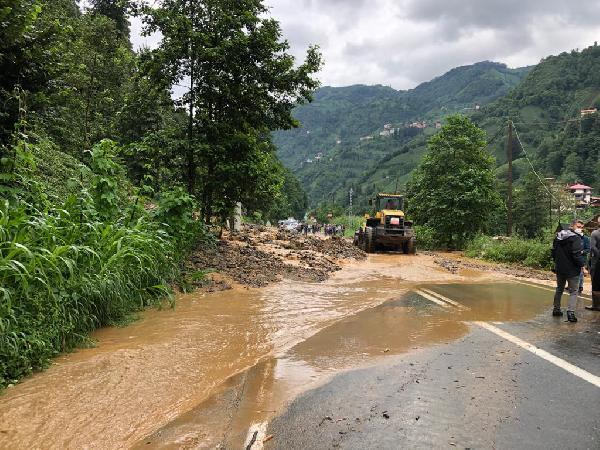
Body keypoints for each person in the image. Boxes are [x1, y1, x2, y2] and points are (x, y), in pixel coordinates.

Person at [551, 219, 586, 322]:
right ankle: (570, 313)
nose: (580, 229)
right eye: (578, 227)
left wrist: (557, 263)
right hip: (572, 270)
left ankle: (556, 309)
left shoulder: (558, 237)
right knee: (574, 291)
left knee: (559, 289)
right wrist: (582, 266)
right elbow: (576, 255)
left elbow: (553, 253)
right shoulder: (576, 239)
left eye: (581, 227)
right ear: (572, 226)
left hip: (560, 268)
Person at [586, 216, 600, 311]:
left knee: (595, 284)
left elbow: (593, 248)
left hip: (597, 263)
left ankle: (596, 305)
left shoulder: (595, 233)